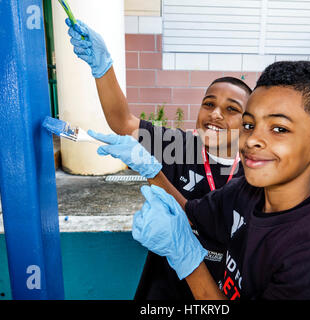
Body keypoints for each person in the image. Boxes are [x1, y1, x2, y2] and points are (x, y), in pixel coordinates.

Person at [131, 61, 310, 299]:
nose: (251, 140)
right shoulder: (246, 191)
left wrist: (187, 260)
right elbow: (192, 214)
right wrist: (152, 171)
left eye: (279, 128)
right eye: (248, 125)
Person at [65, 18, 252, 299]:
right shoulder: (179, 145)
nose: (215, 114)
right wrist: (103, 68)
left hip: (219, 291)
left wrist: (154, 173)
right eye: (209, 104)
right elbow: (123, 122)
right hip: (164, 289)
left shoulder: (254, 171)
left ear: (248, 122)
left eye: (231, 109)